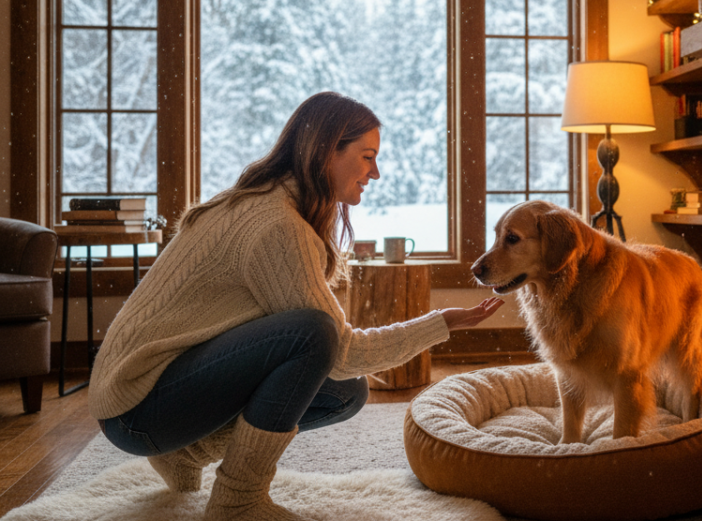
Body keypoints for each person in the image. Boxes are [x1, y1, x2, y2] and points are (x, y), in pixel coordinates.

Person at [89, 92, 503, 521]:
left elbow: (336, 366)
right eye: (366, 156)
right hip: (138, 409)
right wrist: (440, 324)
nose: (374, 173)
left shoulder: (257, 201)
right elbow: (340, 350)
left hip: (136, 401)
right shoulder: (277, 225)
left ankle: (185, 453)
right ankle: (237, 500)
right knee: (314, 334)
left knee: (343, 391)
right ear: (327, 151)